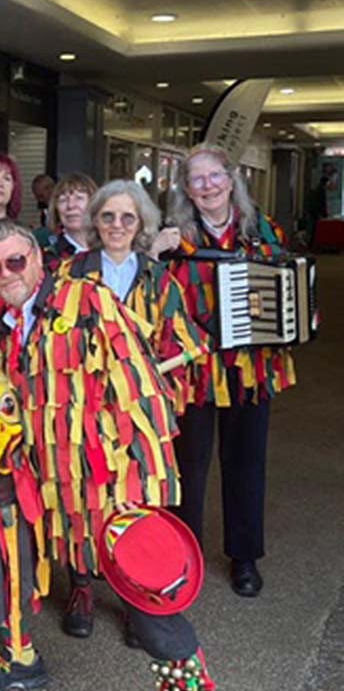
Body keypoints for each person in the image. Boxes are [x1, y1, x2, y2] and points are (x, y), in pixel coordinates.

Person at [0, 220, 236, 691]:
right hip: (38, 490)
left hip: (104, 489)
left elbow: (143, 391)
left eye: (15, 262)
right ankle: (19, 655)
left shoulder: (90, 300)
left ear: (38, 259)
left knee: (150, 609)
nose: (6, 277)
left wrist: (138, 495)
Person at [58, 180, 208, 638]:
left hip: (137, 412)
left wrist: (157, 380)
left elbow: (183, 340)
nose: (117, 226)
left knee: (132, 499)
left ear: (141, 224)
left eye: (127, 217)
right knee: (82, 496)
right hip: (82, 407)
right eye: (108, 216)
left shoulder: (158, 278)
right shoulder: (71, 272)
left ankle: (131, 593)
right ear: (95, 221)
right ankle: (81, 585)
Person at [159, 145, 295, 598]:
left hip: (251, 368)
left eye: (214, 176)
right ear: (186, 190)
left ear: (231, 178)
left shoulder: (264, 231)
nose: (208, 186)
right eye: (197, 180)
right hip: (193, 371)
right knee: (187, 466)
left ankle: (244, 557)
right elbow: (156, 298)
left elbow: (285, 286)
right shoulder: (174, 237)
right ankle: (183, 557)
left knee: (246, 462)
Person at [41, 172, 96, 270]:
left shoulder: (110, 249)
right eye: (63, 200)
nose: (71, 205)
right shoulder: (47, 257)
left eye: (79, 198)